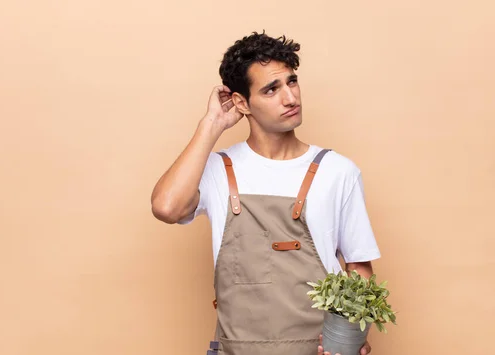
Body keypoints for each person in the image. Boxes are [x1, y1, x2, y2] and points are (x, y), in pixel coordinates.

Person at [151, 31, 381, 355]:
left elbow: (359, 268)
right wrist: (211, 124)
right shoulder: (219, 170)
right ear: (242, 102)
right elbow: (166, 207)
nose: (290, 98)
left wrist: (352, 335)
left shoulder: (338, 171)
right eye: (271, 89)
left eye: (292, 82)